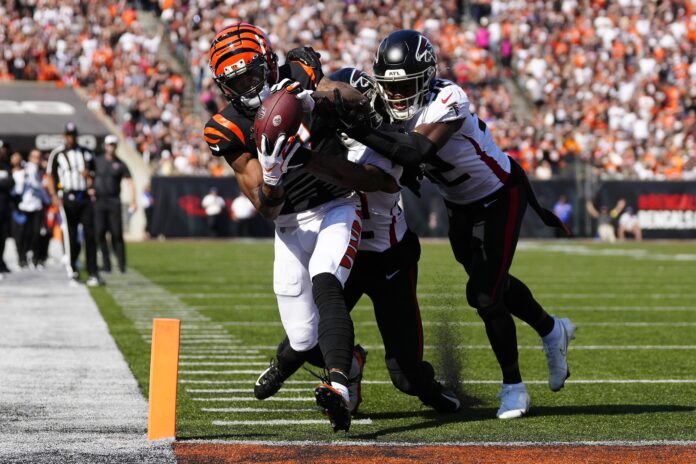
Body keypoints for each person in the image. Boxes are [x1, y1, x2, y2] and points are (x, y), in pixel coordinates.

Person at [347, 30, 576, 419]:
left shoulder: (448, 98)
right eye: (391, 88)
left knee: (485, 296)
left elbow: (416, 149)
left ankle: (514, 387)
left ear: (425, 78)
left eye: (405, 87)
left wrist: (358, 127)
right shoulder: (389, 106)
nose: (397, 96)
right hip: (460, 205)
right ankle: (552, 328)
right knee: (491, 284)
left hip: (500, 195)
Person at [203, 23, 394, 432]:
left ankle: (339, 386)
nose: (250, 86)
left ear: (269, 64)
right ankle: (346, 360)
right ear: (224, 86)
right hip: (289, 222)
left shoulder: (298, 74)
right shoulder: (226, 127)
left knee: (326, 280)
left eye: (254, 73)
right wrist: (271, 175)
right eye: (238, 81)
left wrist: (321, 88)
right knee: (304, 337)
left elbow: (363, 104)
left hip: (336, 204)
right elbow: (267, 209)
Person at [255, 67, 462, 414]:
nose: (334, 112)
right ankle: (294, 365)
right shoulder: (323, 134)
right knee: (305, 334)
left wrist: (304, 156)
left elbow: (360, 177)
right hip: (347, 254)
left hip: (388, 258)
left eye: (342, 106)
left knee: (406, 376)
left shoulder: (388, 141)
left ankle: (433, 392)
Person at [46, 122, 102, 286]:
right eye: (68, 135)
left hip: (84, 196)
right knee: (70, 236)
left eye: (73, 135)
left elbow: (94, 174)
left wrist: (89, 176)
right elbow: (51, 176)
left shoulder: (86, 152)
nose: (71, 138)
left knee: (90, 234)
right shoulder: (57, 154)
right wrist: (54, 195)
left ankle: (93, 272)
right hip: (67, 197)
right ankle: (73, 271)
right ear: (64, 136)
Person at [94, 135, 136, 273]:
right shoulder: (97, 161)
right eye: (109, 145)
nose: (111, 147)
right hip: (99, 201)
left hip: (114, 201)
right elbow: (88, 175)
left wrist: (133, 200)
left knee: (116, 234)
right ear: (105, 146)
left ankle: (121, 264)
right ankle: (106, 265)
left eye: (113, 145)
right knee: (100, 233)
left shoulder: (120, 164)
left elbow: (130, 181)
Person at [12, 149, 49, 268]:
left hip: (37, 207)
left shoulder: (42, 172)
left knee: (37, 234)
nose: (36, 160)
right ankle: (22, 258)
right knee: (23, 234)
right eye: (34, 157)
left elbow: (43, 188)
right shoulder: (27, 168)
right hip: (23, 207)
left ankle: (35, 257)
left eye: (39, 157)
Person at [0, 141, 13, 276]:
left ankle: (1, 261)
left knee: (3, 238)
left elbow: (11, 182)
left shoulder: (5, 166)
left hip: (4, 208)